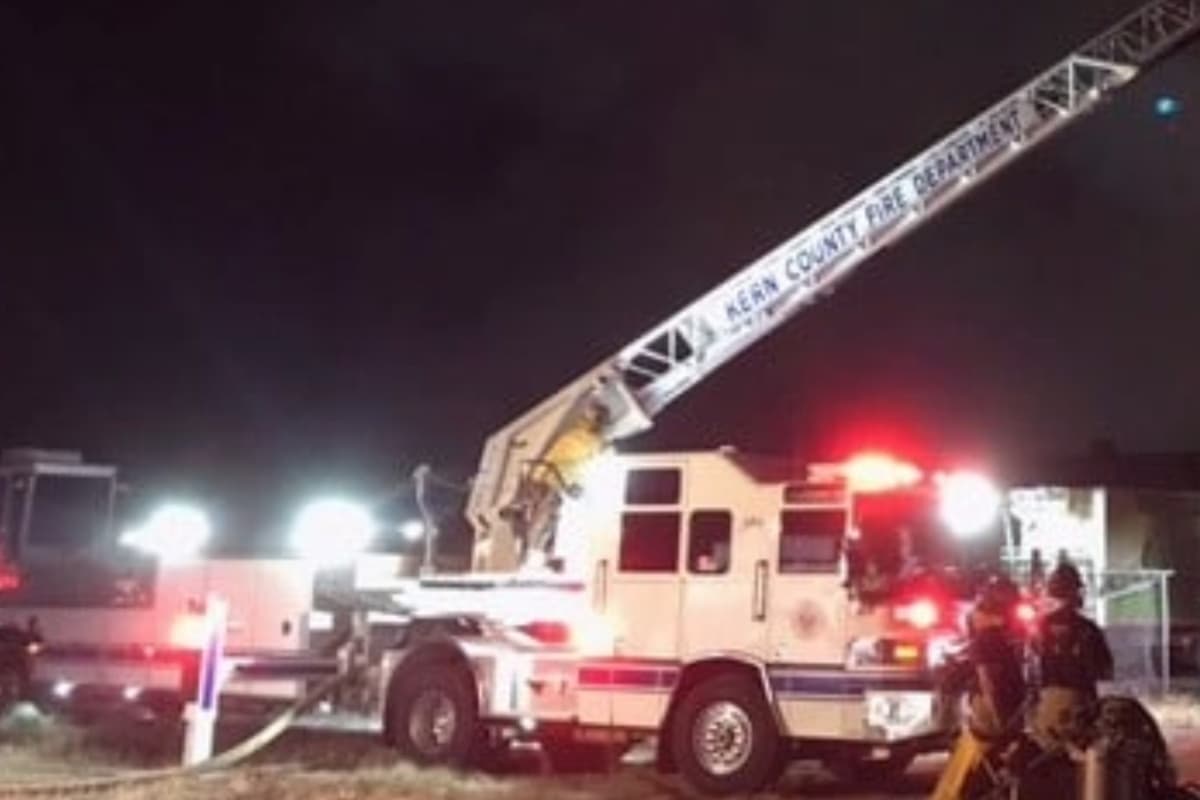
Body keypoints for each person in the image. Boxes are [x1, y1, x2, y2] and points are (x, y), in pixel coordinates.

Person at [931, 575, 1028, 800]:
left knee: (976, 768)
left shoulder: (990, 639)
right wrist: (1001, 719)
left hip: (991, 714)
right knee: (982, 767)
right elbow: (989, 683)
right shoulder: (989, 640)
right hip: (993, 714)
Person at [1031, 560, 1113, 750]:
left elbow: (1032, 666)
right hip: (1080, 704)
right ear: (1074, 592)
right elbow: (1104, 671)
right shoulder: (1088, 629)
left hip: (1047, 705)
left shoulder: (1040, 626)